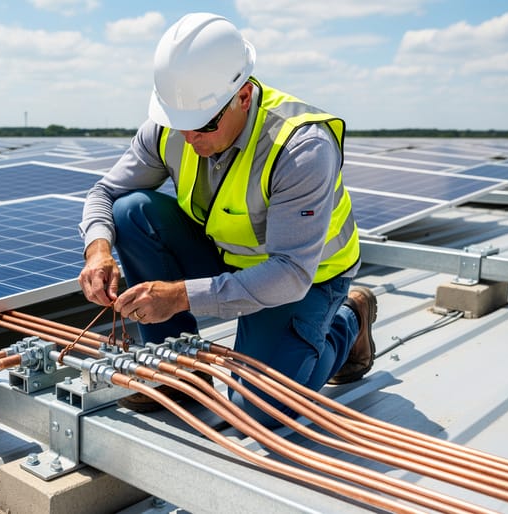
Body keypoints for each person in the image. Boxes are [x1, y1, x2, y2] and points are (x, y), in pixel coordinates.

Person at [77, 12, 376, 423]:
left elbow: (290, 273)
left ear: (243, 97)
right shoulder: (171, 127)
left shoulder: (300, 147)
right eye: (179, 123)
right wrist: (97, 250)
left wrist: (179, 296)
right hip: (229, 257)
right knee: (131, 212)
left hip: (306, 278)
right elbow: (105, 193)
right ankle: (177, 371)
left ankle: (350, 320)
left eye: (202, 125)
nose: (189, 138)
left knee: (260, 408)